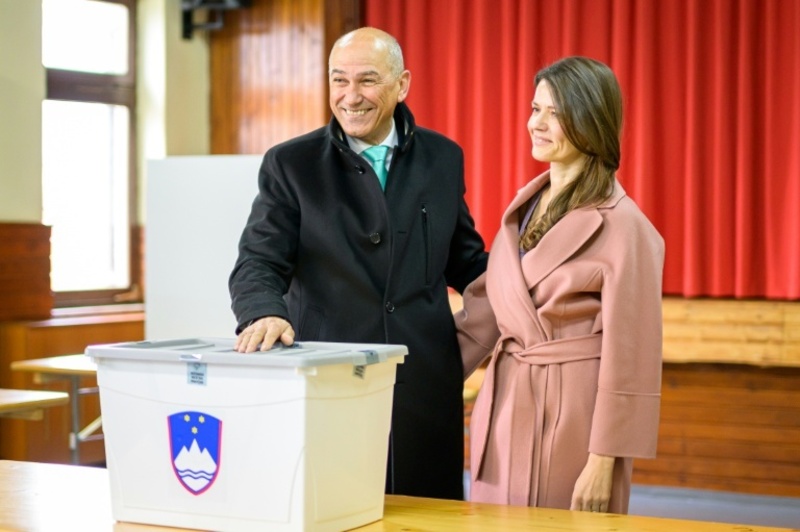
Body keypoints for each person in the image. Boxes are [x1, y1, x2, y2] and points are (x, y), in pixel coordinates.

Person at [228, 27, 488, 500]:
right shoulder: (291, 164)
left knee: (430, 513)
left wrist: (534, 282)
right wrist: (262, 311)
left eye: (367, 80)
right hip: (330, 379)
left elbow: (467, 261)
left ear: (402, 84)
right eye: (339, 80)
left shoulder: (443, 158)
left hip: (423, 385)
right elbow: (258, 261)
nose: (351, 96)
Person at [454, 56, 665, 514]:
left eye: (555, 113)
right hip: (504, 404)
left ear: (591, 121)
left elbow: (633, 357)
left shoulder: (626, 227)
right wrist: (411, 374)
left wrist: (603, 460)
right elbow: (485, 314)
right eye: (536, 109)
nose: (537, 123)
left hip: (575, 420)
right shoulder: (524, 208)